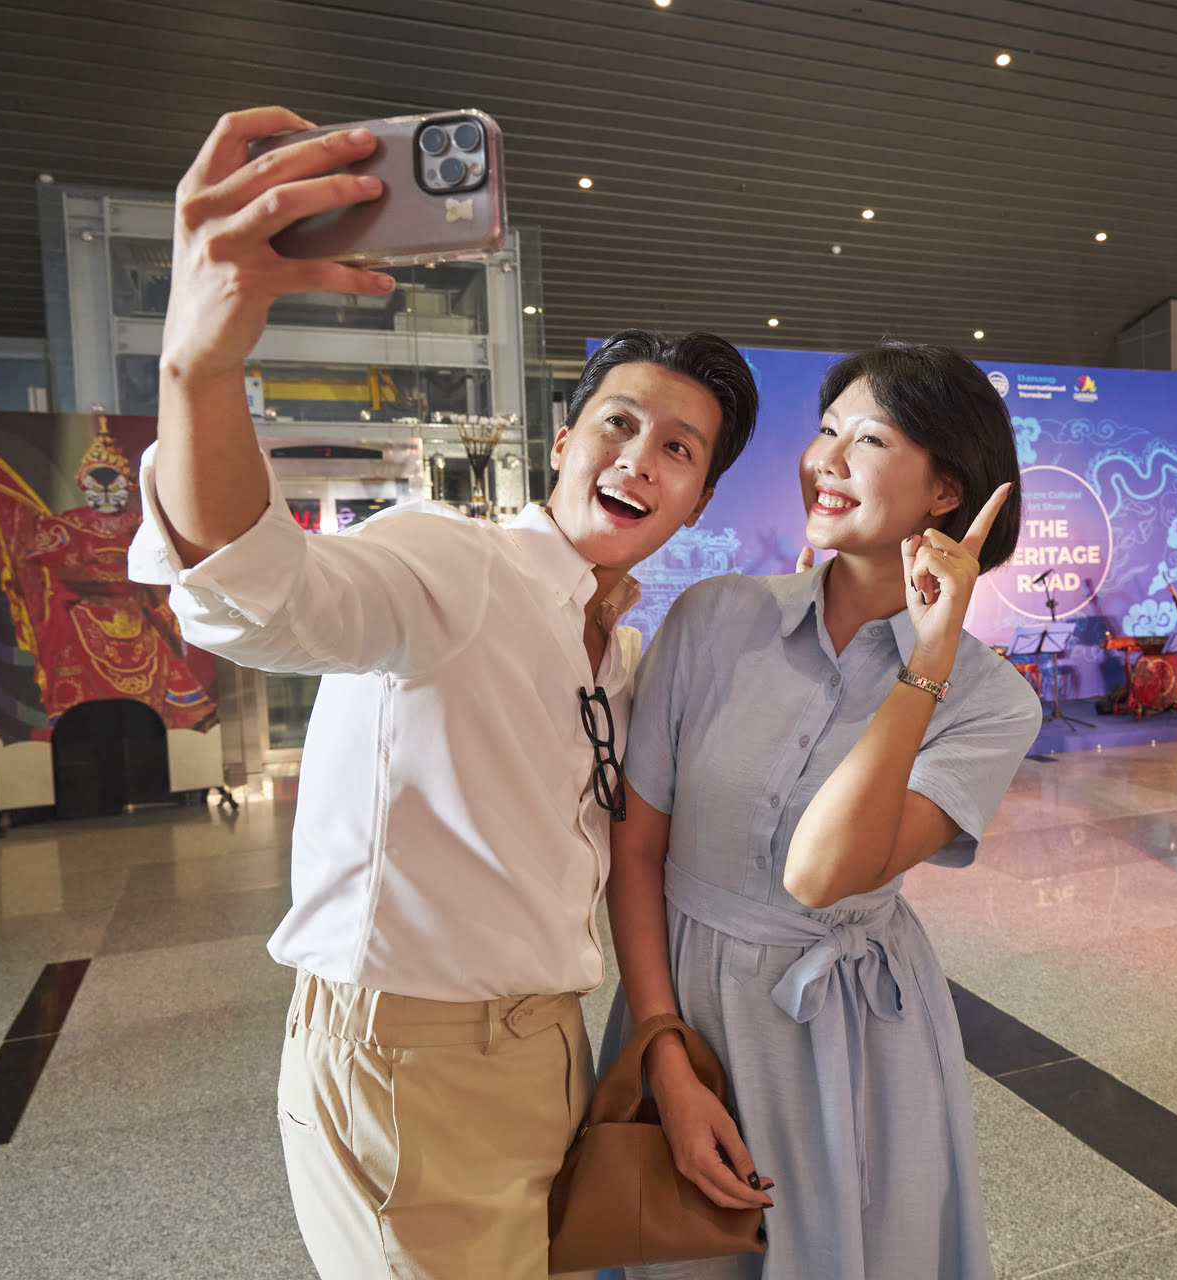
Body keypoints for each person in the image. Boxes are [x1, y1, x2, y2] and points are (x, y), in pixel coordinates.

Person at [124, 107, 760, 1280]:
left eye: (680, 448)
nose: (640, 457)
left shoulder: (614, 650)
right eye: (618, 422)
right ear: (563, 441)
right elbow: (256, 588)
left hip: (544, 1050)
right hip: (415, 1059)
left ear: (698, 503)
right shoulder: (450, 562)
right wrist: (199, 362)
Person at [601, 341, 1043, 1280]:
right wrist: (663, 1056)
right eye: (825, 431)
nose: (826, 460)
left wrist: (926, 660)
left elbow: (822, 873)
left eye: (869, 439)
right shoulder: (715, 618)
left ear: (944, 493)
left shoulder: (989, 699)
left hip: (851, 1036)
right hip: (683, 1006)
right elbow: (637, 853)